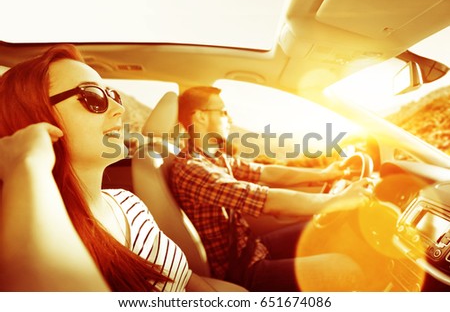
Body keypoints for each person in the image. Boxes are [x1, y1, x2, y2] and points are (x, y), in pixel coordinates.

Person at [0, 45, 216, 292]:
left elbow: (186, 279)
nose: (119, 109)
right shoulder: (34, 234)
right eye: (93, 96)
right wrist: (27, 164)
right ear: (33, 120)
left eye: (114, 95)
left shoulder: (130, 204)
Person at [170, 86, 373, 291]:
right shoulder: (193, 169)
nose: (229, 118)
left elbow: (266, 173)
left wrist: (324, 175)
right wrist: (336, 200)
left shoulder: (214, 157)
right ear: (201, 117)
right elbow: (266, 200)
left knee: (321, 230)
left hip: (249, 248)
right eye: (222, 111)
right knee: (346, 270)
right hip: (240, 270)